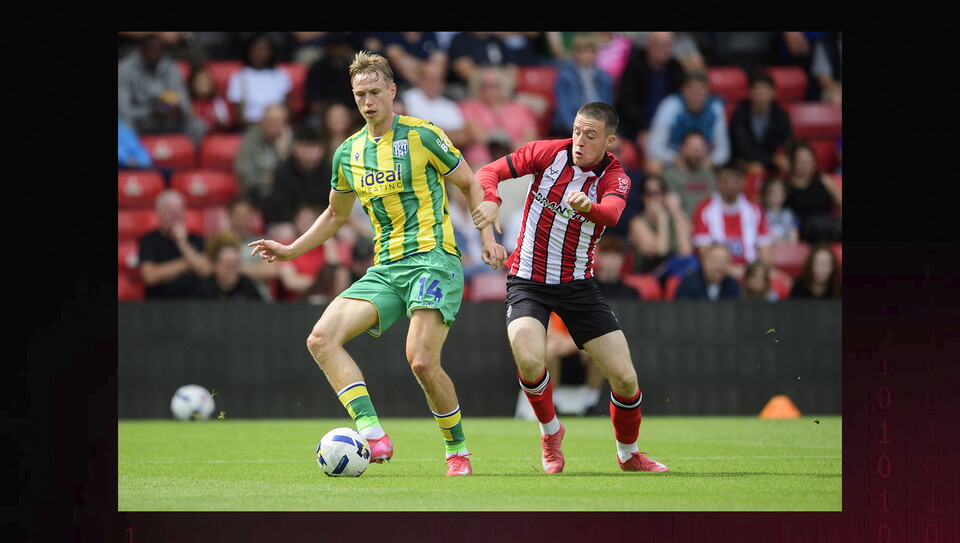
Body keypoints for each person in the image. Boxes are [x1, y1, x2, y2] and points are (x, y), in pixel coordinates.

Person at [248, 51, 507, 476]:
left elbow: (469, 182)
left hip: (433, 260)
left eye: (374, 92)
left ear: (392, 91)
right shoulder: (348, 152)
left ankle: (457, 450)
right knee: (320, 338)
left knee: (421, 361)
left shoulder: (423, 136)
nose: (367, 102)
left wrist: (487, 236)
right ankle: (371, 433)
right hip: (386, 269)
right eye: (359, 95)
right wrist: (292, 249)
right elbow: (335, 214)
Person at [471, 101, 669, 473]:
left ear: (609, 141)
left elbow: (611, 213)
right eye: (577, 130)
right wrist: (493, 202)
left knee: (625, 379)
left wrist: (587, 207)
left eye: (590, 135)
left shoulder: (616, 177)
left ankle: (629, 455)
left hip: (578, 285)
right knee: (530, 360)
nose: (579, 140)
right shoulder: (547, 152)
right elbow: (488, 172)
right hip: (527, 280)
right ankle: (550, 434)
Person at [118, 33, 206, 147]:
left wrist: (179, 111)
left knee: (197, 125)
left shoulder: (171, 67)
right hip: (141, 122)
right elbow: (124, 111)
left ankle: (186, 160)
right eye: (150, 49)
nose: (154, 53)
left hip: (167, 120)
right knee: (124, 127)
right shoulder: (126, 69)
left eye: (158, 50)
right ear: (141, 49)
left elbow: (184, 104)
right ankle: (135, 158)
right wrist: (148, 113)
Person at [691, 160, 773, 281]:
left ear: (743, 182)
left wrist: (754, 272)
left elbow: (766, 251)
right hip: (719, 273)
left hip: (752, 274)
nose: (730, 185)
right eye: (726, 181)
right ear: (718, 182)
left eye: (735, 180)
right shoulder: (704, 210)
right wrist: (729, 270)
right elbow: (704, 251)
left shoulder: (755, 210)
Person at [645, 71, 730, 178]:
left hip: (704, 161)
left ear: (707, 93)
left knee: (728, 172)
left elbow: (723, 150)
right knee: (653, 166)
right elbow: (654, 147)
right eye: (692, 91)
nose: (696, 96)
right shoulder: (670, 106)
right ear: (683, 90)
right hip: (675, 159)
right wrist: (675, 159)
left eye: (701, 92)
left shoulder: (716, 108)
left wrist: (712, 161)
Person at [616, 31, 686, 160]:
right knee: (649, 145)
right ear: (649, 45)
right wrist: (643, 129)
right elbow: (627, 105)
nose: (663, 50)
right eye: (659, 45)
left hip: (669, 128)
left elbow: (680, 104)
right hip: (637, 128)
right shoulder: (634, 67)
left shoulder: (676, 69)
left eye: (667, 45)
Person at [459, 64, 540, 168]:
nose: (489, 89)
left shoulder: (520, 109)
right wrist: (508, 144)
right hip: (481, 165)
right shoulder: (469, 107)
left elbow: (531, 140)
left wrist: (505, 143)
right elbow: (476, 134)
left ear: (503, 86)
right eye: (484, 85)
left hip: (516, 166)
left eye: (493, 85)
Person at [138, 190, 211, 298]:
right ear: (159, 214)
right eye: (170, 211)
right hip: (160, 306)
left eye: (178, 210)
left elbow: (206, 271)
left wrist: (183, 245)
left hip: (194, 305)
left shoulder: (197, 240)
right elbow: (149, 277)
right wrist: (187, 262)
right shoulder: (148, 241)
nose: (175, 215)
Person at [626, 175, 694, 280]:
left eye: (658, 192)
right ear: (643, 197)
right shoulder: (638, 222)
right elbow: (661, 251)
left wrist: (676, 211)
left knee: (690, 265)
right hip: (649, 273)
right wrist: (662, 219)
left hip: (674, 273)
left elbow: (686, 251)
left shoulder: (673, 217)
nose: (655, 198)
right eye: (650, 194)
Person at [728, 70, 794, 179]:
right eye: (757, 88)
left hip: (774, 164)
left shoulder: (781, 116)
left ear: (773, 92)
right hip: (743, 162)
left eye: (765, 88)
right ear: (749, 92)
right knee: (756, 169)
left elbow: (787, 142)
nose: (761, 92)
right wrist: (771, 158)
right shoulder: (739, 114)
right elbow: (742, 147)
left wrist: (780, 160)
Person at [266, 124, 332, 227]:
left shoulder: (330, 172)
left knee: (345, 233)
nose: (308, 152)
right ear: (295, 148)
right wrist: (297, 219)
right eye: (304, 146)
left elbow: (335, 205)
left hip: (322, 222)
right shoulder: (283, 172)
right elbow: (278, 206)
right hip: (291, 223)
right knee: (284, 232)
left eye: (313, 147)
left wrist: (315, 217)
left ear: (322, 150)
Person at [551, 33, 615, 138]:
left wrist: (606, 132)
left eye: (589, 51)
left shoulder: (604, 78)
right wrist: (579, 133)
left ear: (595, 53)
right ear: (574, 53)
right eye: (581, 51)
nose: (585, 56)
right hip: (571, 129)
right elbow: (564, 111)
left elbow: (608, 108)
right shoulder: (565, 77)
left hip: (597, 128)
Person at [234, 104, 294, 215]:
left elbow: (296, 175)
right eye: (271, 120)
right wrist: (265, 179)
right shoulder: (250, 140)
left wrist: (283, 154)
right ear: (262, 121)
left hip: (285, 197)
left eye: (279, 120)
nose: (274, 124)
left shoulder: (290, 140)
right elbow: (244, 175)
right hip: (257, 196)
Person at [226, 34, 294, 128]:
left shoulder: (280, 74)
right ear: (249, 51)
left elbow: (288, 110)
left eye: (264, 49)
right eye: (257, 48)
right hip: (249, 128)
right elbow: (239, 117)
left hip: (278, 127)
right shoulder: (239, 76)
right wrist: (264, 126)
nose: (261, 53)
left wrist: (274, 125)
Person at [400, 61, 470, 149]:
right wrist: (445, 134)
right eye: (427, 78)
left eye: (436, 79)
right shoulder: (405, 99)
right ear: (419, 79)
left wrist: (425, 130)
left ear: (443, 82)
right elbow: (404, 131)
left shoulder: (451, 106)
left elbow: (462, 137)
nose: (431, 83)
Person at [783, 141, 842, 244]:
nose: (806, 165)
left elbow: (841, 202)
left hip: (830, 229)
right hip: (803, 234)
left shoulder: (825, 180)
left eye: (809, 161)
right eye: (801, 162)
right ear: (792, 163)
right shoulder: (785, 187)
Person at [195, 231, 266, 301]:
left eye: (236, 264)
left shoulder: (247, 287)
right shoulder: (204, 290)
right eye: (229, 265)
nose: (233, 271)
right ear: (215, 265)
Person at [661, 130, 717, 218]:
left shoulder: (710, 176)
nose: (697, 151)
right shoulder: (670, 176)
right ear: (683, 148)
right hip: (681, 225)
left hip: (706, 226)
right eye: (692, 147)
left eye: (700, 147)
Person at [674, 242, 741, 301]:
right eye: (714, 260)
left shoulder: (733, 286)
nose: (718, 266)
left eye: (723, 261)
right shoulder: (688, 285)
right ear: (703, 262)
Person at [188, 65, 234, 134]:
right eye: (199, 82)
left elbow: (228, 124)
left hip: (216, 136)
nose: (203, 84)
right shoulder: (190, 103)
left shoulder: (217, 102)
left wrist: (218, 120)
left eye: (206, 81)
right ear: (193, 85)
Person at [760, 177, 799, 245]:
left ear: (784, 194)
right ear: (765, 195)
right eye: (771, 192)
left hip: (786, 249)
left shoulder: (789, 213)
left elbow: (794, 238)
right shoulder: (759, 213)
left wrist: (783, 243)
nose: (776, 195)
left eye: (779, 191)